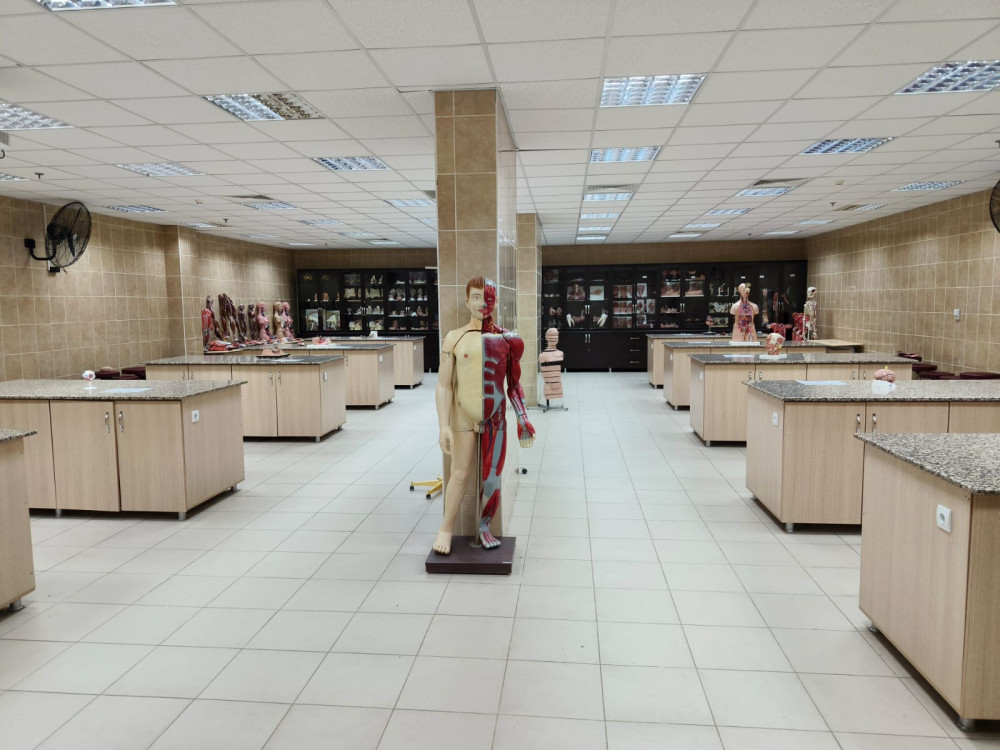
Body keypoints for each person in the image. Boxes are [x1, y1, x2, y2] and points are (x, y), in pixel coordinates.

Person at [434, 277, 535, 555]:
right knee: (459, 474)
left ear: (496, 301)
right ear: (467, 301)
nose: (482, 303)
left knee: (492, 477)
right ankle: (446, 528)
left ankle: (485, 525)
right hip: (462, 415)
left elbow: (514, 385)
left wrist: (523, 418)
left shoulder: (508, 341)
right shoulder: (454, 338)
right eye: (476, 297)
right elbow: (444, 385)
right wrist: (443, 425)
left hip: (495, 415)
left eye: (488, 297)